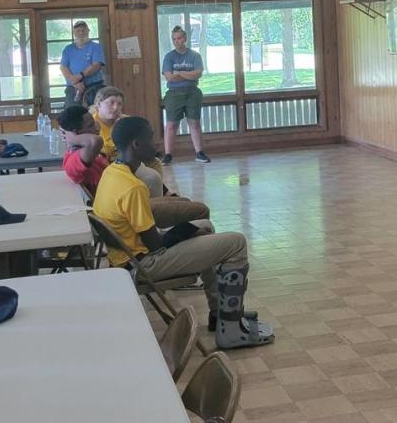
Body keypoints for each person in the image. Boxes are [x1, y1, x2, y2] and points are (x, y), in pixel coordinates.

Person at [92, 117, 272, 348]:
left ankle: (221, 314)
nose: (156, 144)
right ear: (136, 145)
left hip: (126, 257)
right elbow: (156, 245)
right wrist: (183, 233)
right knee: (236, 242)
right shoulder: (134, 188)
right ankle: (232, 331)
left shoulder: (111, 173)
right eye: (150, 138)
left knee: (205, 226)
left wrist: (188, 230)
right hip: (143, 264)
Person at [58, 105, 210, 229]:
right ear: (76, 133)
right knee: (200, 211)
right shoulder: (73, 160)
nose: (97, 128)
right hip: (123, 211)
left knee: (184, 202)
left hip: (128, 202)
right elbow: (96, 141)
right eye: (91, 125)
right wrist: (72, 137)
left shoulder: (91, 154)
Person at [88, 87, 165, 195]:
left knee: (154, 162)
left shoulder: (124, 121)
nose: (116, 108)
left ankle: (155, 193)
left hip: (125, 161)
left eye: (119, 104)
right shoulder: (91, 123)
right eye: (111, 103)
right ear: (99, 103)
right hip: (107, 165)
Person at [161, 26, 210, 164]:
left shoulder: (195, 56)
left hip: (192, 92)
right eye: (174, 39)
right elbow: (169, 77)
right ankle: (168, 154)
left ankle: (199, 153)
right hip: (174, 94)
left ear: (185, 39)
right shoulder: (169, 57)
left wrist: (181, 73)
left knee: (194, 123)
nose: (177, 41)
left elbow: (198, 73)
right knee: (171, 125)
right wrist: (188, 75)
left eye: (179, 38)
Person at [60, 21, 106, 107]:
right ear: (74, 33)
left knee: (95, 113)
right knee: (71, 114)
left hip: (94, 87)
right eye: (78, 30)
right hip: (73, 87)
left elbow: (96, 65)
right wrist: (74, 82)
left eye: (83, 30)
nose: (81, 33)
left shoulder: (96, 47)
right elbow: (63, 67)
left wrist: (80, 76)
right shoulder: (68, 49)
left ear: (88, 31)